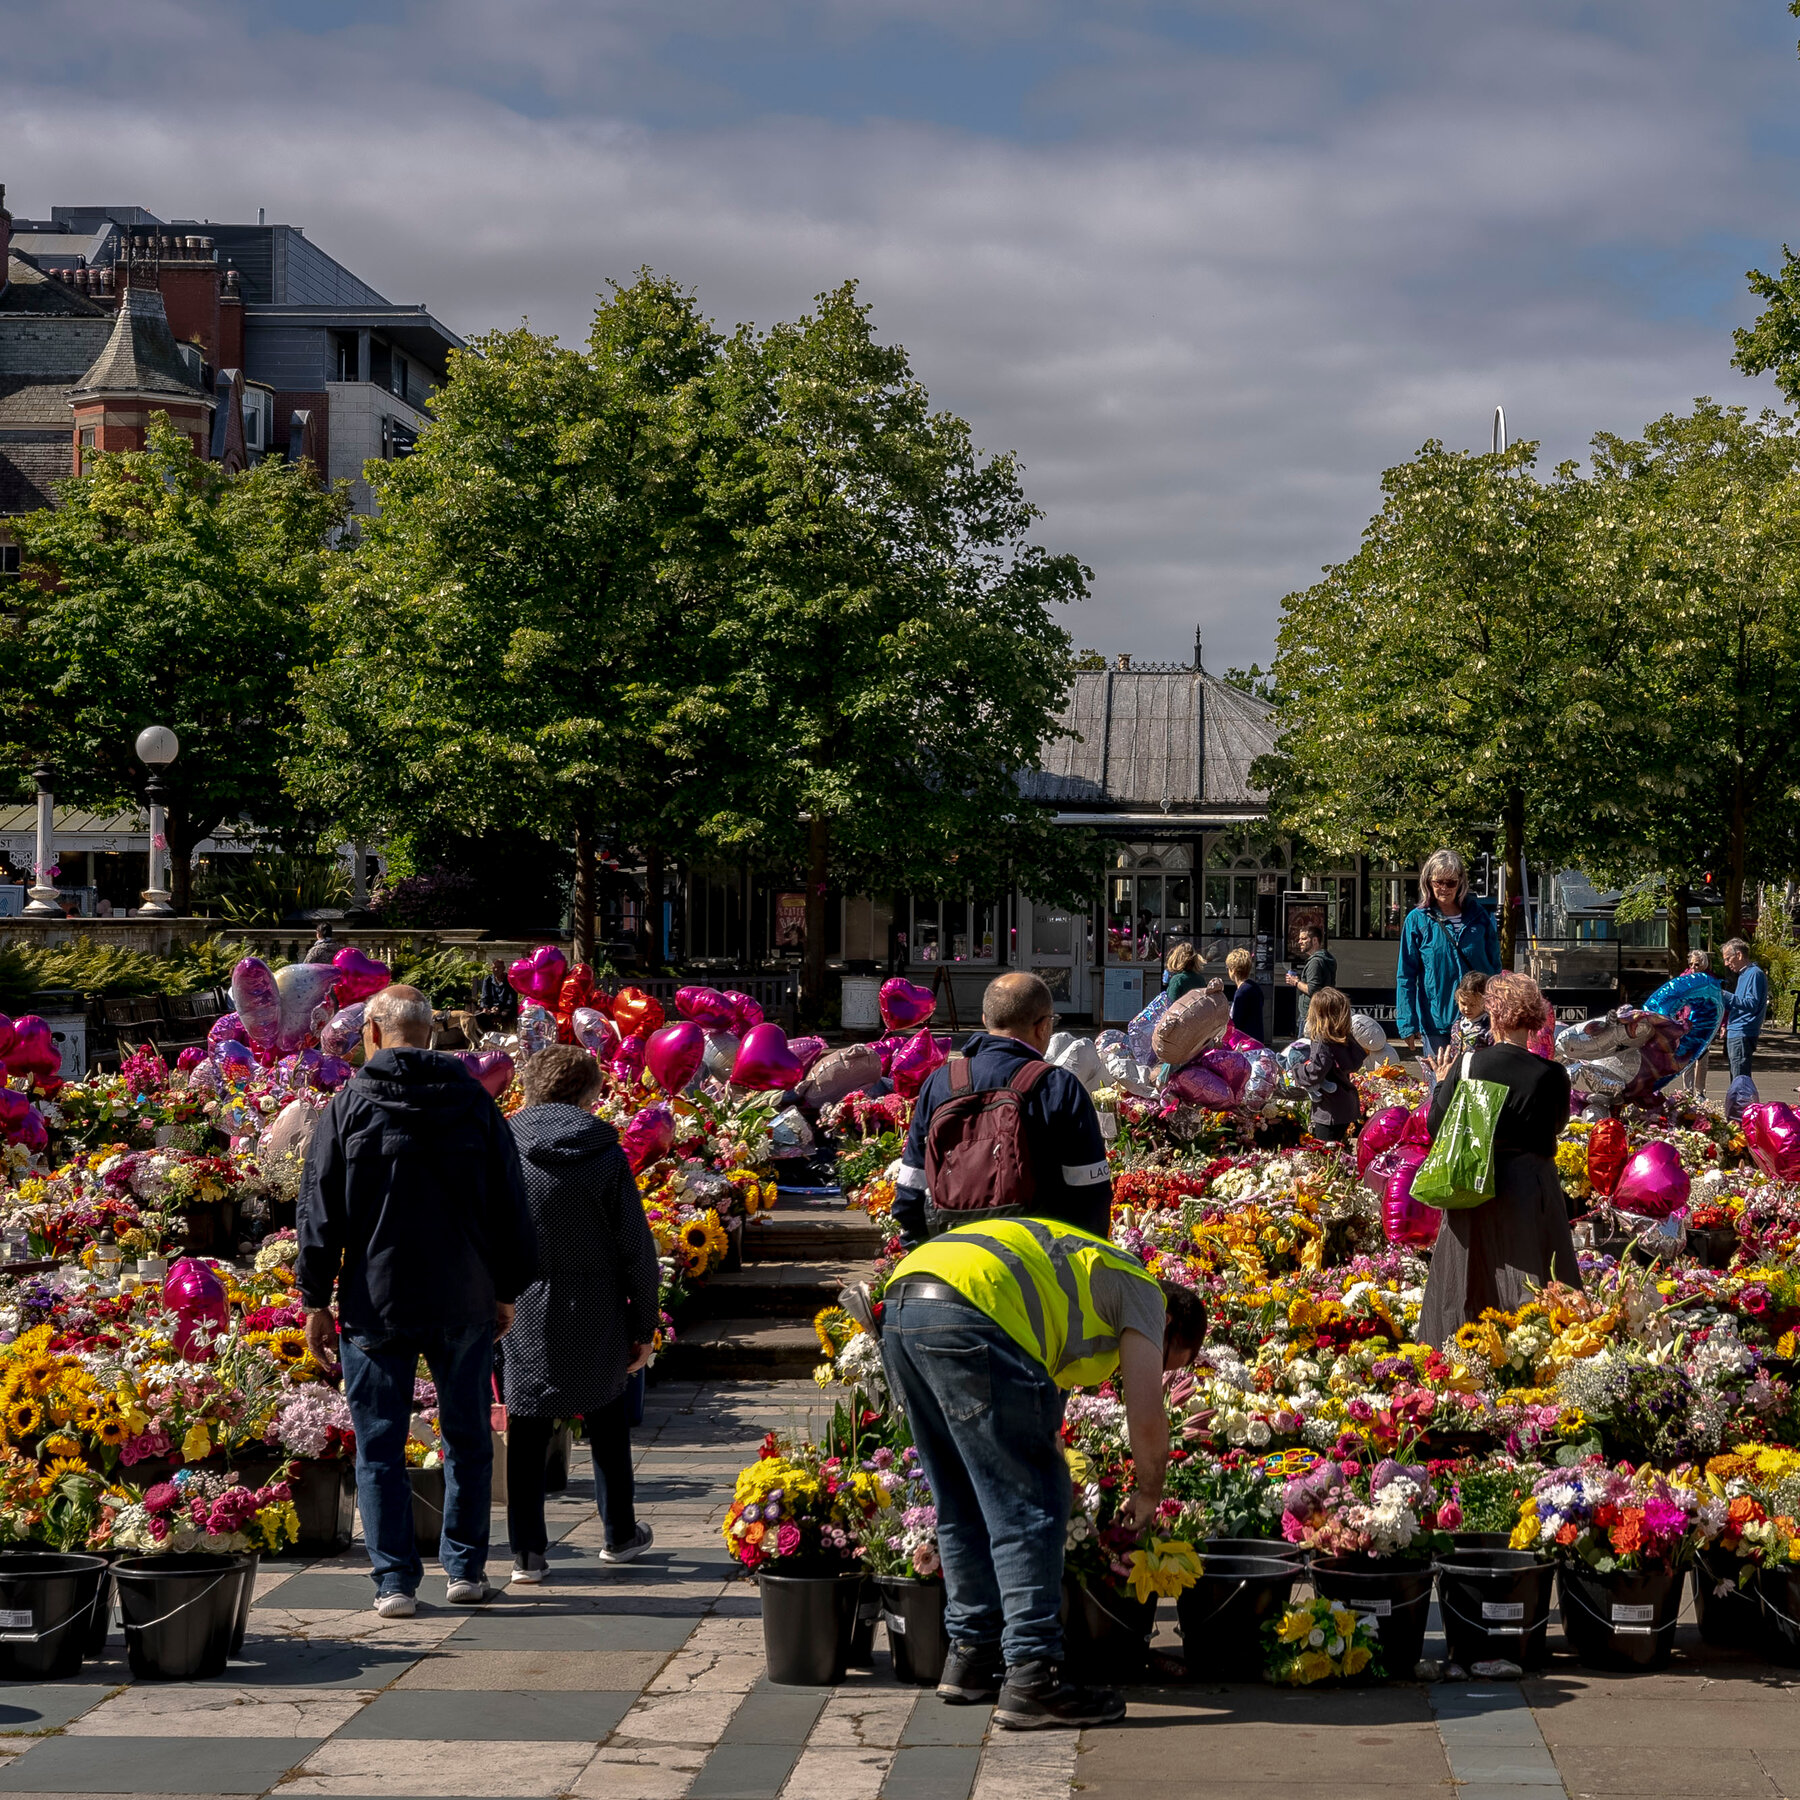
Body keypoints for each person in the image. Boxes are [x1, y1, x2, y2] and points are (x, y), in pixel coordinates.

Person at [881, 1219, 1209, 1728]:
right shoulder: (1146, 1293)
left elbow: (1042, 1398)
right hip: (975, 1310)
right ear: (1170, 1327)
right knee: (1030, 1503)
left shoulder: (1083, 1287)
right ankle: (1033, 1674)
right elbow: (1145, 1412)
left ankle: (971, 1656)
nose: (1158, 1371)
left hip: (908, 1303)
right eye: (1169, 1363)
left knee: (961, 1495)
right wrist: (1149, 1493)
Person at [297, 984, 535, 1617]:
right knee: (467, 1440)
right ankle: (464, 1568)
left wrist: (315, 1298)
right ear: (431, 1035)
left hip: (378, 1299)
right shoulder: (474, 1103)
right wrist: (508, 1290)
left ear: (374, 1035)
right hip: (463, 1294)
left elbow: (320, 1212)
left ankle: (395, 1581)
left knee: (378, 1445)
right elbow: (512, 1206)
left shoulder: (348, 1105)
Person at [503, 1045, 659, 1582]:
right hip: (595, 1299)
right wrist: (644, 1323)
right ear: (591, 1091)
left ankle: (527, 1552)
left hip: (522, 1299)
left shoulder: (508, 1147)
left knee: (526, 1424)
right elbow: (636, 1247)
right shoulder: (605, 1154)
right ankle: (618, 1533)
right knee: (607, 1416)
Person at [1417, 971, 1583, 1348]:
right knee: (1535, 1276)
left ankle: (1463, 1353)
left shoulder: (1469, 1064)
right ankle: (1536, 1353)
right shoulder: (1553, 1074)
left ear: (1492, 1016)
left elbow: (1436, 1124)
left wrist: (1442, 1081)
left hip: (1475, 1183)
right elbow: (1555, 1127)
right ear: (1534, 1020)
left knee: (1468, 1279)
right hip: (1531, 1187)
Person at [892, 972, 1111, 1250]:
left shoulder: (941, 1082)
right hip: (1035, 1261)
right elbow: (1091, 1195)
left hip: (950, 1255)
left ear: (985, 1020)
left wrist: (922, 1251)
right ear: (1044, 1027)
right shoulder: (1058, 1085)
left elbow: (911, 1184)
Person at [1396, 850, 1502, 1074]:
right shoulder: (1417, 920)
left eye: (1450, 882)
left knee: (1476, 1085)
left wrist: (1498, 1011)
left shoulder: (1480, 917)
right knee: (1441, 1088)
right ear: (1428, 882)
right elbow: (1406, 974)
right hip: (1436, 1021)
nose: (1444, 888)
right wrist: (1407, 1022)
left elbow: (1494, 970)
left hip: (1479, 1021)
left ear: (1461, 883)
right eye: (1438, 882)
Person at [1297, 986, 1366, 1142]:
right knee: (1339, 1148)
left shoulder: (1323, 1042)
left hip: (1329, 1109)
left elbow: (1315, 1072)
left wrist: (1298, 1070)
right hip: (1346, 1104)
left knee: (1324, 1153)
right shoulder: (1345, 1039)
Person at [1720, 938, 1768, 1084]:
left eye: (1728, 959)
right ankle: (1739, 1105)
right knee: (1737, 1078)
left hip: (1743, 1031)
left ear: (1739, 955)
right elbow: (1739, 1003)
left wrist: (1723, 994)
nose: (1726, 964)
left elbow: (1751, 1004)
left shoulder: (1754, 974)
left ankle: (1741, 1106)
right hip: (1737, 1031)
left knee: (1739, 1081)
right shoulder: (1744, 974)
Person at [1679, 949, 1718, 1099]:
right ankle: (1687, 1092)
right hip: (1686, 1023)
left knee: (1701, 1058)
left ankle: (1700, 1091)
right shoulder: (1684, 978)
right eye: (1691, 964)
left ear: (1704, 965)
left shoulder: (1710, 980)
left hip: (1704, 1024)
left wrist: (1722, 1025)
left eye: (1697, 964)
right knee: (1686, 1057)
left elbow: (1719, 1003)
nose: (1693, 968)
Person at [1284, 926, 1336, 1001]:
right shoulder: (1325, 958)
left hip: (1312, 1009)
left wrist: (1295, 981)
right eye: (1299, 939)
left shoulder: (1315, 962)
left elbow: (1312, 990)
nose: (1299, 942)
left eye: (1304, 939)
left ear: (1314, 940)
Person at [1223, 946, 1263, 1042]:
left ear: (1233, 970)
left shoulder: (1241, 992)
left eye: (1228, 968)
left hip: (1245, 1041)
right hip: (1257, 1038)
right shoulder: (1254, 986)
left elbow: (1236, 1022)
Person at [1449, 971, 1492, 1054]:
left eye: (1473, 1005)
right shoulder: (1457, 1024)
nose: (1467, 1008)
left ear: (1485, 1002)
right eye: (1463, 1003)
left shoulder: (1489, 1027)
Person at [477, 958, 517, 1027]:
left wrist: (499, 1008)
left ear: (503, 968)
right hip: (491, 1008)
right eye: (494, 968)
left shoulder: (509, 980)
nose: (496, 970)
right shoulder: (488, 979)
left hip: (505, 1008)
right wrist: (486, 1007)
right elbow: (484, 996)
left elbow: (511, 999)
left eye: (498, 968)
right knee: (479, 1015)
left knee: (506, 1015)